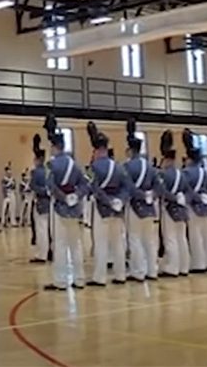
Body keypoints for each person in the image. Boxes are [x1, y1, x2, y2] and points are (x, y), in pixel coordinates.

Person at [43, 114, 86, 291]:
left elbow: (50, 187)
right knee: (75, 243)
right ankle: (80, 279)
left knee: (60, 244)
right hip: (75, 208)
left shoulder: (51, 165)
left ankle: (60, 281)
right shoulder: (75, 165)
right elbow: (85, 184)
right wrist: (75, 196)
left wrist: (63, 198)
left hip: (60, 208)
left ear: (54, 147)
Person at [86, 122, 129, 287]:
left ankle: (100, 276)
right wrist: (120, 200)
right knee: (118, 242)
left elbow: (94, 188)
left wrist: (108, 201)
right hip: (118, 209)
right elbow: (127, 187)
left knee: (101, 243)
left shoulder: (94, 167)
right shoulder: (118, 167)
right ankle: (120, 275)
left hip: (102, 209)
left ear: (96, 150)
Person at [124, 119, 158, 282]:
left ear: (130, 150)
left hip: (134, 206)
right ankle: (152, 270)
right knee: (149, 240)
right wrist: (150, 196)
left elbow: (129, 188)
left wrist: (142, 196)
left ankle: (138, 271)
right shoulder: (151, 167)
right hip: (150, 207)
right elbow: (158, 187)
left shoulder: (127, 166)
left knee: (135, 239)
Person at [156, 131, 190, 277]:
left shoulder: (163, 174)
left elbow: (161, 191)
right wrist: (181, 198)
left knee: (170, 238)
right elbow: (188, 190)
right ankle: (184, 266)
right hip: (182, 208)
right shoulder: (181, 173)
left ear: (166, 159)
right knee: (181, 237)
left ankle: (172, 267)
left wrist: (174, 198)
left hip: (169, 208)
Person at [182, 130, 207, 272]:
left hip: (192, 207)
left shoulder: (186, 172)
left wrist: (194, 198)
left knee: (195, 236)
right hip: (206, 206)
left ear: (189, 159)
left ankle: (198, 264)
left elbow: (185, 189)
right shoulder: (206, 172)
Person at [30, 137, 51, 263]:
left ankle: (41, 254)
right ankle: (49, 251)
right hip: (49, 203)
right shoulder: (48, 172)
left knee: (41, 229)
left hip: (40, 202)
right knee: (49, 229)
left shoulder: (36, 172)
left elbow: (33, 186)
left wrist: (42, 191)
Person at [1, 163, 18, 228]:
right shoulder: (4, 179)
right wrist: (5, 195)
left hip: (12, 193)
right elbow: (3, 188)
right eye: (8, 172)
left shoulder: (13, 179)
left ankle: (13, 221)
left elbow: (14, 186)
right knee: (5, 209)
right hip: (7, 194)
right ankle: (4, 221)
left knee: (13, 208)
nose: (9, 173)